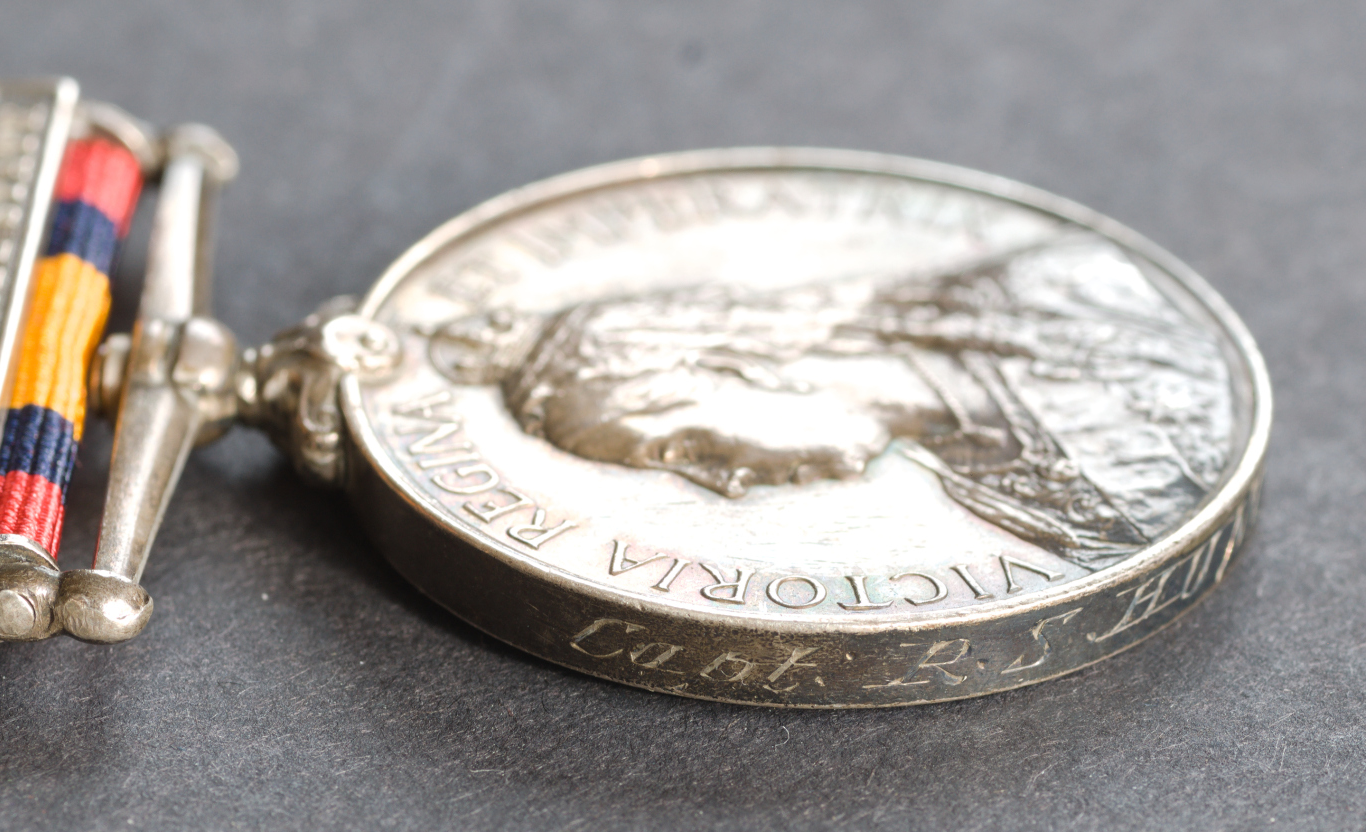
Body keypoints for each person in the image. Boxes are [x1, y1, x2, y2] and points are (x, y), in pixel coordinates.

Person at [428, 235, 1231, 569]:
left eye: (686, 448)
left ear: (751, 365)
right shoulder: (991, 490)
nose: (724, 486)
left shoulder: (1072, 293)